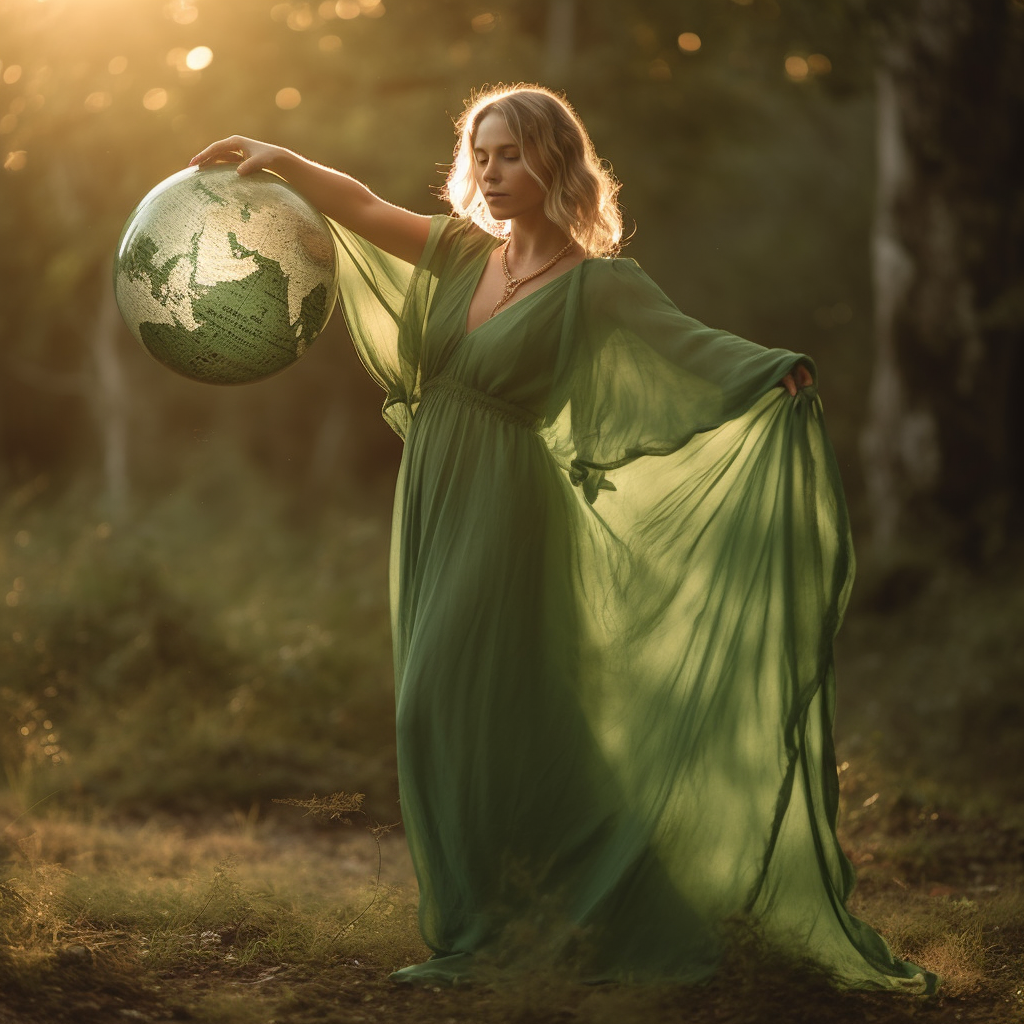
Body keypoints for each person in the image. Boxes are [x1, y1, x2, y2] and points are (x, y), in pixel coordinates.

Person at [191, 84, 935, 992]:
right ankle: (505, 922)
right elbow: (361, 206)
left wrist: (774, 373)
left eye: (512, 154)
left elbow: (691, 348)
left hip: (510, 508)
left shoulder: (598, 285)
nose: (492, 173)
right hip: (434, 493)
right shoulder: (463, 253)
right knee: (468, 714)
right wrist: (280, 158)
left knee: (448, 699)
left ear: (555, 162)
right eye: (482, 154)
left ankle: (529, 922)